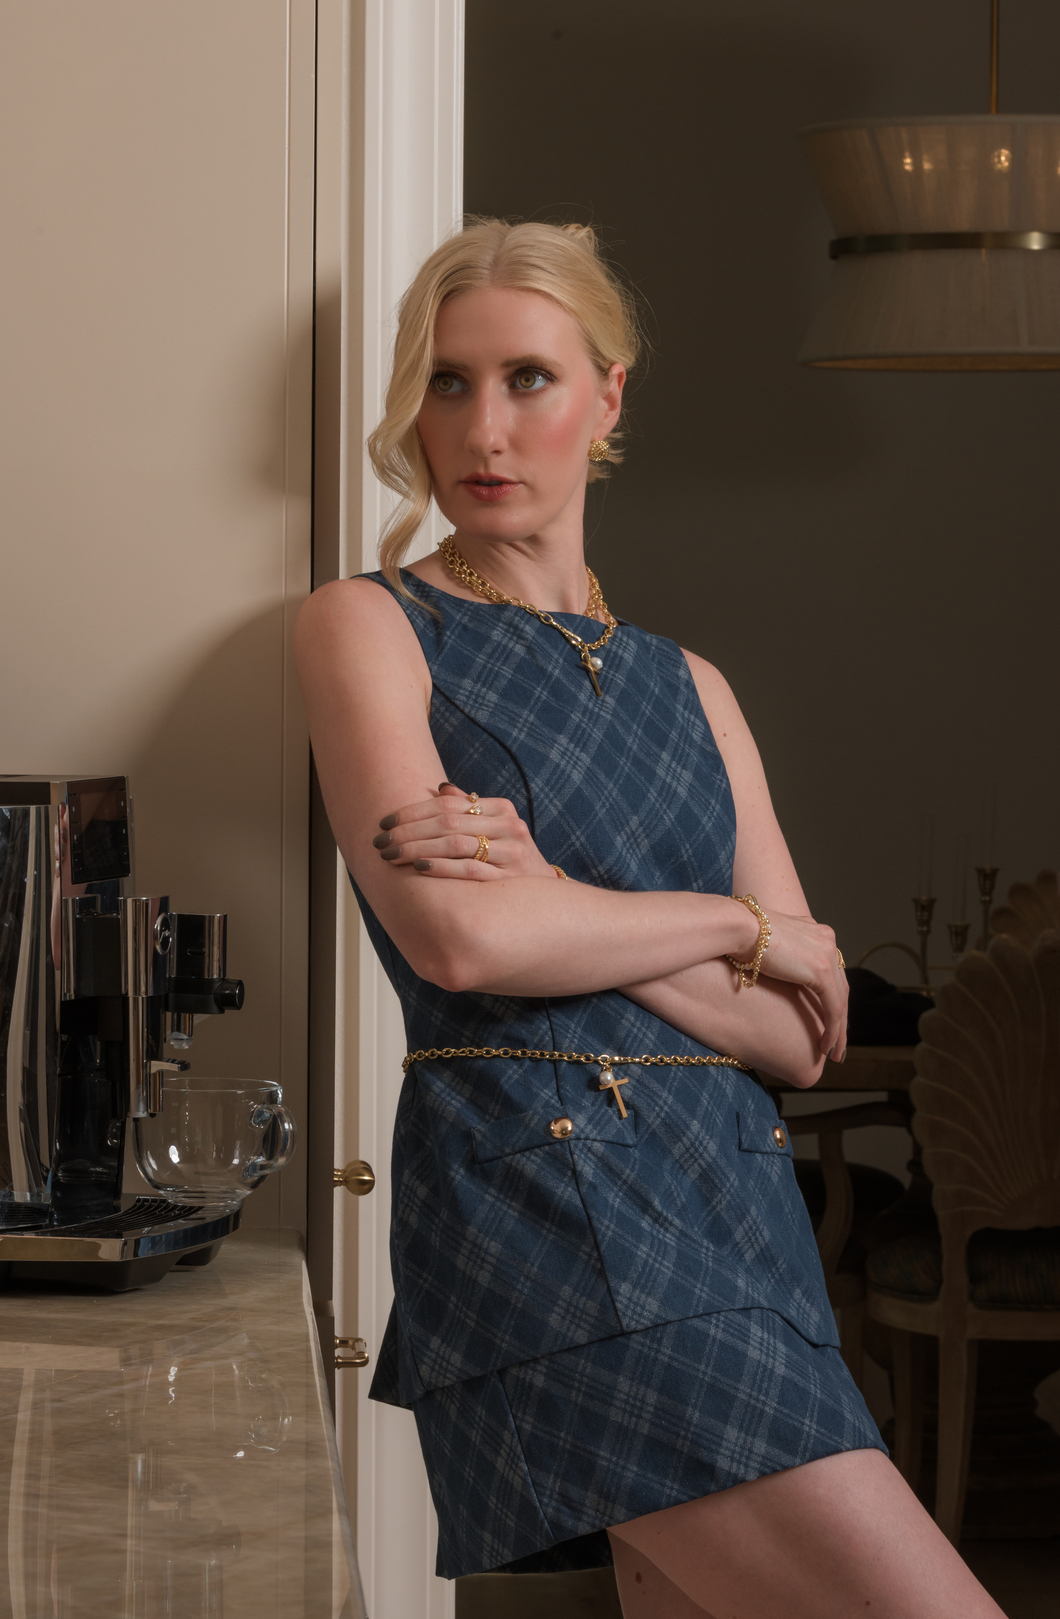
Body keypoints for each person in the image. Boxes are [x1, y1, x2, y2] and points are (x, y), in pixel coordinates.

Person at [295, 219, 1004, 1618]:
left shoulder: (694, 685)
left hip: (734, 1207)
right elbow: (466, 945)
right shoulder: (365, 624)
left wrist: (568, 891)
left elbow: (801, 1035)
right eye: (446, 382)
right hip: (539, 1195)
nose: (481, 427)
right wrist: (733, 923)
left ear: (607, 395)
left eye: (527, 379)